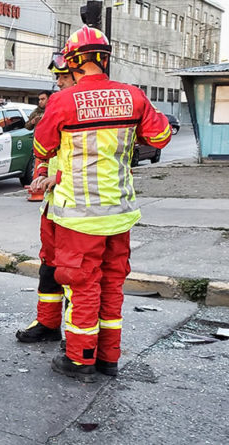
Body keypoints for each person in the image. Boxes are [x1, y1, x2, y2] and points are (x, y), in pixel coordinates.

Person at [33, 25, 171, 381]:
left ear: (74, 63)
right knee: (111, 284)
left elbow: (43, 147)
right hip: (120, 213)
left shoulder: (63, 101)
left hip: (80, 217)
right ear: (105, 59)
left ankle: (81, 358)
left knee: (82, 288)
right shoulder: (133, 96)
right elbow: (159, 136)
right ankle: (109, 358)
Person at [15, 55, 76, 345]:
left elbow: (93, 163)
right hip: (54, 205)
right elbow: (44, 151)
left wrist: (59, 178)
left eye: (64, 76)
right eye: (58, 77)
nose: (59, 82)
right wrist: (41, 172)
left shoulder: (86, 111)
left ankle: (78, 335)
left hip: (79, 207)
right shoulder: (57, 107)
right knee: (49, 266)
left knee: (74, 272)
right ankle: (48, 323)